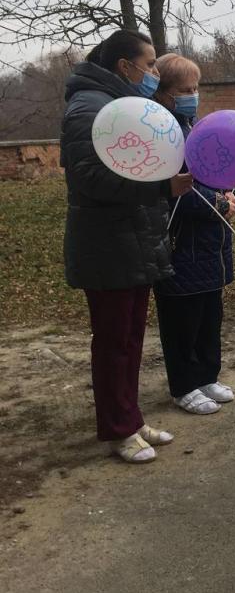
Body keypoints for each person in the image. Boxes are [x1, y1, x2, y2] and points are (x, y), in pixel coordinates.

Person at [62, 29, 192, 464]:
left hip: (133, 236)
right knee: (114, 341)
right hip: (107, 242)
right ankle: (118, 428)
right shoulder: (89, 107)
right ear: (125, 66)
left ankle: (131, 418)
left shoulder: (121, 104)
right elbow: (90, 179)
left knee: (132, 337)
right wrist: (162, 187)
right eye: (150, 64)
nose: (155, 72)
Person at [152, 53, 235, 415]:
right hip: (182, 243)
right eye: (184, 90)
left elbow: (217, 170)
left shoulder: (195, 127)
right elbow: (176, 188)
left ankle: (207, 374)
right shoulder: (161, 133)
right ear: (163, 93)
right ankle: (183, 385)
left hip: (211, 244)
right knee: (182, 321)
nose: (193, 95)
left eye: (195, 88)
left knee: (209, 314)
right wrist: (219, 204)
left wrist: (233, 195)